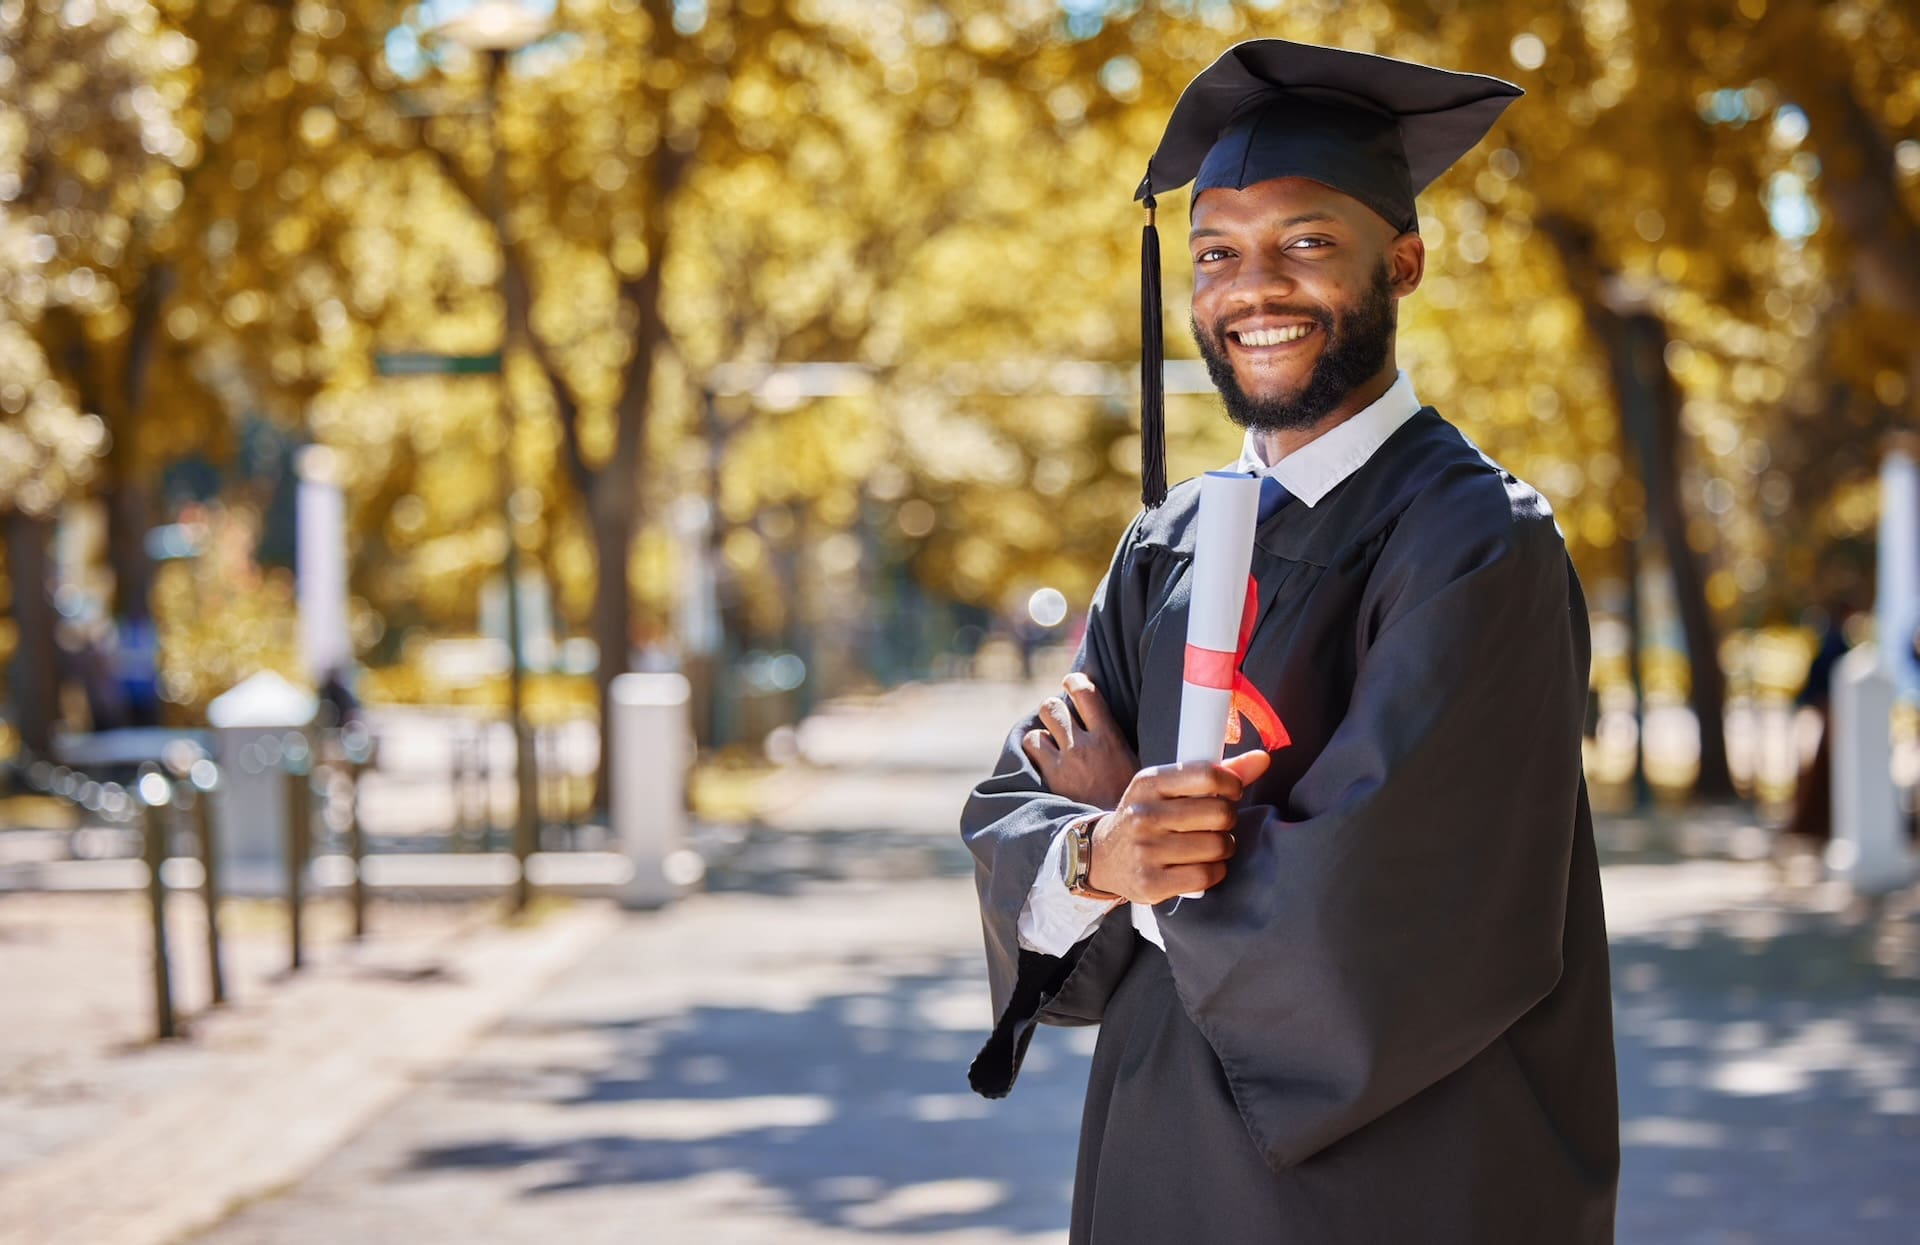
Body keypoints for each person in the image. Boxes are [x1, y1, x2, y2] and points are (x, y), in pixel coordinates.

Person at [960, 39, 1618, 1243]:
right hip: (1163, 1164)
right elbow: (1025, 798)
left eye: (1306, 242)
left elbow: (1392, 906)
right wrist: (1105, 849)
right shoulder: (1167, 543)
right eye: (1216, 253)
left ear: (1403, 263)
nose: (1252, 286)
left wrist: (1138, 866)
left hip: (1405, 1181)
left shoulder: (1476, 541)